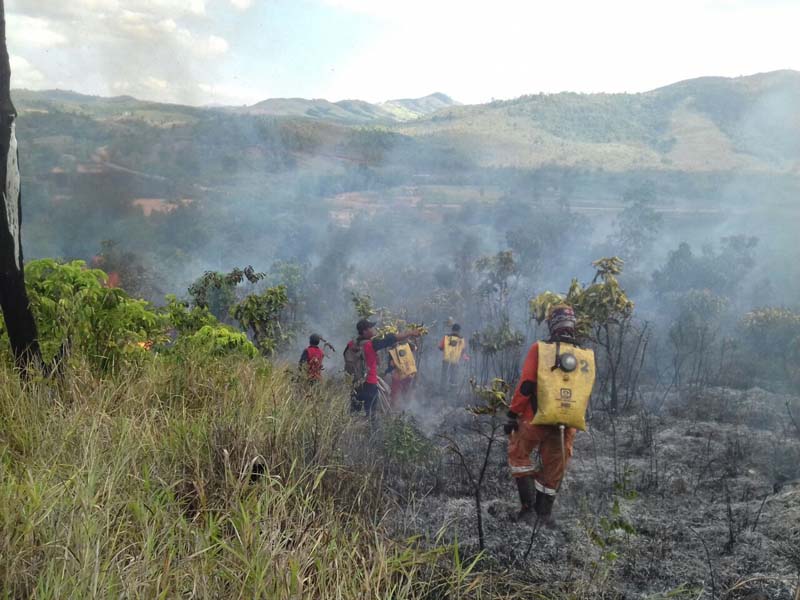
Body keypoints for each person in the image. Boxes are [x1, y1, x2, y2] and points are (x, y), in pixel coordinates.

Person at [504, 305, 594, 527]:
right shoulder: (585, 356)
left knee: (518, 455)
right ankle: (544, 515)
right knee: (553, 470)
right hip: (567, 422)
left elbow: (526, 385)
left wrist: (512, 413)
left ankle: (527, 510)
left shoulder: (541, 349)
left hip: (534, 418)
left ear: (552, 325)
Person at [345, 319, 421, 417]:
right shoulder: (371, 344)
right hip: (369, 385)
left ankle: (353, 430)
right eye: (370, 328)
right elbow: (392, 338)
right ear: (364, 331)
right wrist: (410, 332)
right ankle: (372, 431)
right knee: (372, 416)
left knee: (354, 415)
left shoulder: (351, 344)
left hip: (355, 384)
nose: (373, 330)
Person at [386, 339, 418, 411]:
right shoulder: (406, 346)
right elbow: (415, 348)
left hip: (397, 376)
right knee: (405, 392)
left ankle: (394, 409)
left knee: (395, 393)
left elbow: (391, 364)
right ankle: (405, 409)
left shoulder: (392, 351)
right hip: (408, 374)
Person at [438, 323, 468, 389]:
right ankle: (452, 391)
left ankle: (442, 390)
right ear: (459, 331)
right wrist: (465, 358)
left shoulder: (446, 337)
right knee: (453, 376)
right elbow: (463, 351)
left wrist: (446, 348)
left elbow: (440, 347)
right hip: (455, 361)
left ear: (452, 330)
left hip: (446, 360)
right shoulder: (461, 339)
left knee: (444, 375)